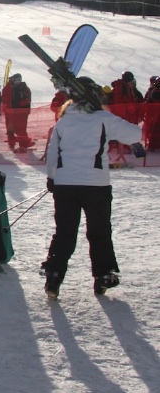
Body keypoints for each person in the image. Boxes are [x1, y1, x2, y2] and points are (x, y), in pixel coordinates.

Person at [42, 76, 142, 299]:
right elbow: (135, 135)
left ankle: (54, 275)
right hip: (96, 185)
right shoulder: (103, 119)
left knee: (64, 233)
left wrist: (52, 178)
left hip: (66, 185)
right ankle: (103, 276)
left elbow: (52, 154)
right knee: (99, 232)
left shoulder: (64, 121)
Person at [2, 73, 33, 151]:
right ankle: (11, 142)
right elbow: (4, 97)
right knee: (10, 128)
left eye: (19, 79)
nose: (17, 81)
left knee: (21, 129)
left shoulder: (24, 88)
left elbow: (27, 99)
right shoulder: (9, 88)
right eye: (15, 80)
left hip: (21, 112)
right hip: (10, 111)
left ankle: (23, 144)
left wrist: (20, 103)